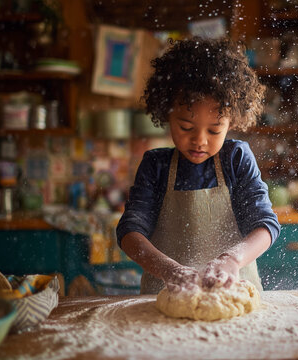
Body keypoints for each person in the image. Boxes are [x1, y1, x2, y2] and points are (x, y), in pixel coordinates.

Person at [116, 37, 280, 295]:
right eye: (185, 127)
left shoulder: (235, 159)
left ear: (231, 122)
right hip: (165, 295)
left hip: (233, 292)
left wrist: (232, 260)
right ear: (166, 113)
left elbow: (266, 225)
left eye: (215, 130)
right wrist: (171, 270)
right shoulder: (155, 166)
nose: (200, 140)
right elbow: (129, 233)